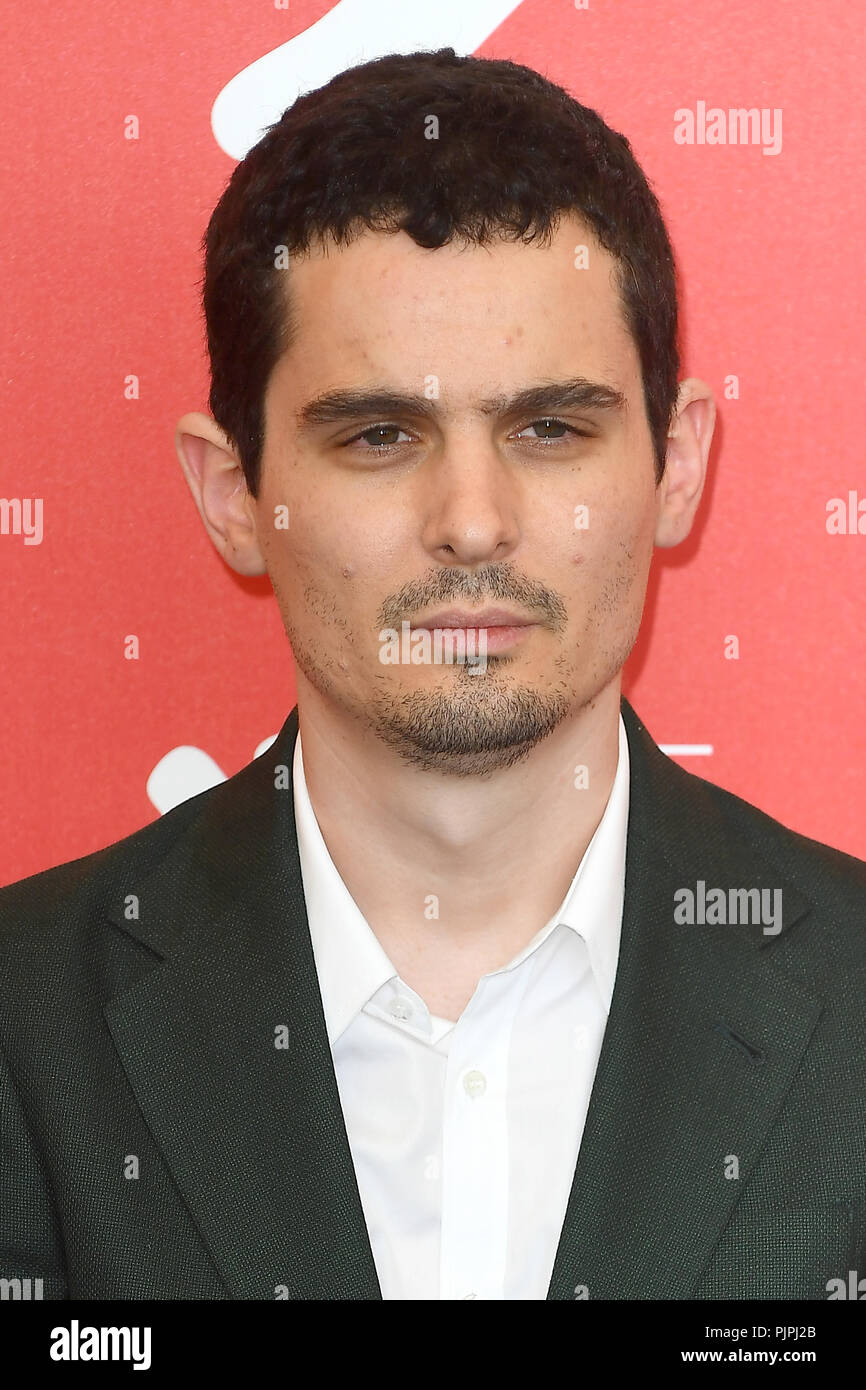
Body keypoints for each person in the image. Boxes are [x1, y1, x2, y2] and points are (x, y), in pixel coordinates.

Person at [1, 48, 864, 1302]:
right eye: (379, 435)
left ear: (674, 465)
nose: (471, 520)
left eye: (551, 427)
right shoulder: (27, 1026)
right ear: (234, 494)